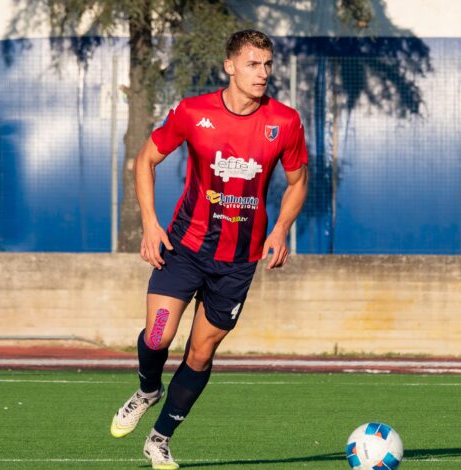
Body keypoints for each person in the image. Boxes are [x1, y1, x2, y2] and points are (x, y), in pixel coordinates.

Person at [110, 29, 308, 470]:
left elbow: (298, 182)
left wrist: (280, 229)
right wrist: (150, 223)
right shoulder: (193, 112)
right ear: (230, 66)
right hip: (184, 248)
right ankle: (147, 389)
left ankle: (160, 438)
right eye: (253, 64)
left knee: (200, 353)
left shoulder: (285, 121)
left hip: (238, 262)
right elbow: (145, 159)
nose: (262, 73)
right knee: (158, 335)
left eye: (267, 64)